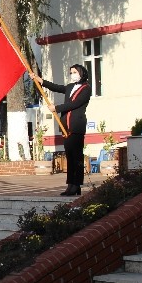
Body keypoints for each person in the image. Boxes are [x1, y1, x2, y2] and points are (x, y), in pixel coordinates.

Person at [37, 64, 92, 197]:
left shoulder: (86, 88)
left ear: (81, 73)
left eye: (75, 72)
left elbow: (76, 104)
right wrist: (42, 81)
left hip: (76, 126)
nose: (72, 74)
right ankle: (70, 185)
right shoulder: (70, 87)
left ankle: (77, 184)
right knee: (70, 157)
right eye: (71, 72)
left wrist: (57, 108)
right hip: (65, 127)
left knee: (77, 157)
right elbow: (57, 87)